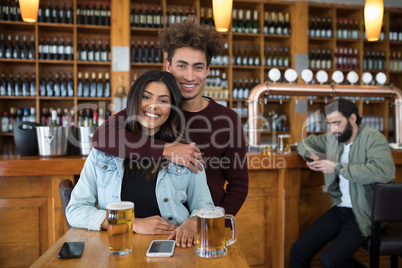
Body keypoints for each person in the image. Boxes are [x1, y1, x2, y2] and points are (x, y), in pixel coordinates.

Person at [91, 16, 249, 222]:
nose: (190, 76)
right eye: (181, 66)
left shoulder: (227, 119)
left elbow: (239, 186)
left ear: (208, 71)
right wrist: (166, 150)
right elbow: (101, 137)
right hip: (152, 226)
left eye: (198, 67)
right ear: (168, 66)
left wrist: (211, 225)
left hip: (202, 226)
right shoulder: (152, 113)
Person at [66, 70, 214, 248]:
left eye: (163, 101)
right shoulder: (104, 152)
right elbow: (75, 210)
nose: (153, 106)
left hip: (174, 246)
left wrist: (192, 222)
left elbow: (205, 208)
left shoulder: (185, 152)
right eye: (146, 97)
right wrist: (131, 224)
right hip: (118, 246)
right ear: (134, 101)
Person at [290, 98, 395, 267]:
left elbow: (384, 172)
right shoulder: (334, 138)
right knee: (298, 252)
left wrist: (338, 167)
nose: (332, 129)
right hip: (340, 209)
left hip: (365, 214)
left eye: (337, 123)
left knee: (330, 260)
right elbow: (305, 143)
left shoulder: (373, 138)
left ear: (352, 118)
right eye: (330, 124)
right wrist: (311, 155)